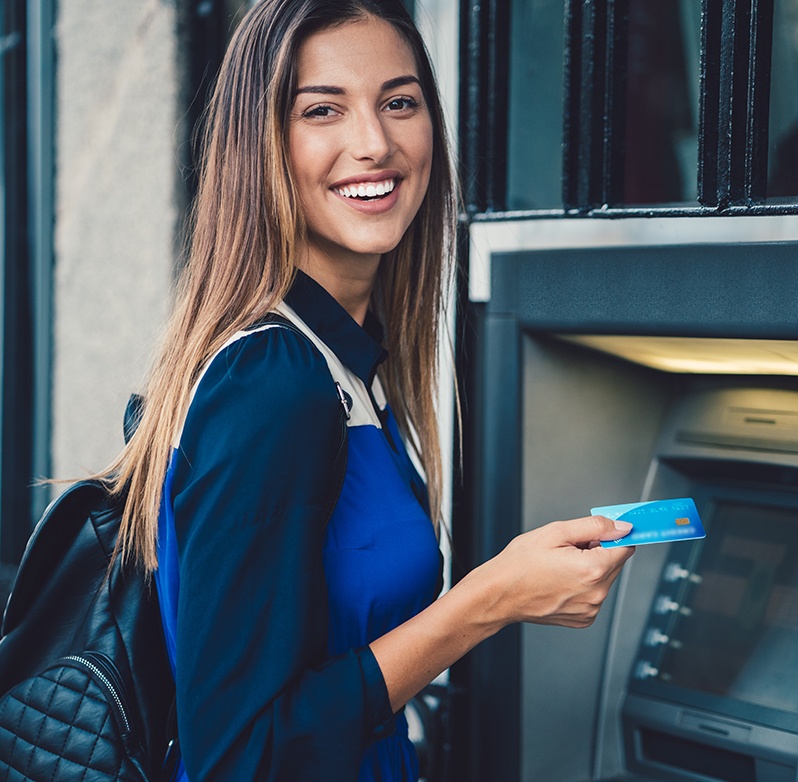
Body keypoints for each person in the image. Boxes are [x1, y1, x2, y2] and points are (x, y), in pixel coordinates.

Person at [105, 1, 635, 779]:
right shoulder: (274, 384)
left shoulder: (343, 360)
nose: (375, 143)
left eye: (400, 101)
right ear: (262, 147)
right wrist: (488, 602)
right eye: (323, 109)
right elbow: (239, 757)